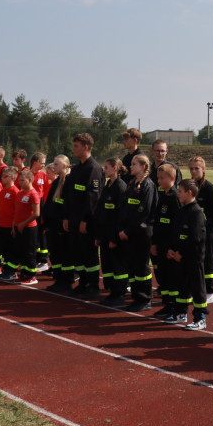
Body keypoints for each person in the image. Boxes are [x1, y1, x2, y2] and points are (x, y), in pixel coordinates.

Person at [63, 133, 103, 298]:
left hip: (86, 221)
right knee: (76, 253)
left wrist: (85, 220)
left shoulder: (93, 168)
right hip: (73, 218)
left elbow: (93, 198)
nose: (73, 149)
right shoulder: (77, 168)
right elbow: (68, 194)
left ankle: (93, 286)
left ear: (85, 147)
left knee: (89, 253)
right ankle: (83, 282)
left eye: (76, 146)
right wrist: (66, 216)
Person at [118, 154, 158, 311]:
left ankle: (144, 298)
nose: (130, 166)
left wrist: (128, 230)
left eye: (134, 164)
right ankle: (136, 296)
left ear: (143, 167)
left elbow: (144, 211)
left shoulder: (148, 185)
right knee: (132, 266)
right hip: (129, 233)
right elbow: (125, 209)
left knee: (142, 267)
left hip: (141, 233)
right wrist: (122, 228)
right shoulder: (131, 183)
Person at [168, 178, 209, 330]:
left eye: (180, 191)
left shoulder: (197, 213)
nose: (177, 193)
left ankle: (200, 318)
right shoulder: (181, 210)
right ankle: (180, 313)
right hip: (180, 257)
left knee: (197, 289)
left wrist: (181, 253)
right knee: (182, 286)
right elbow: (175, 233)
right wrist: (171, 249)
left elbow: (195, 238)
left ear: (189, 193)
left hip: (193, 258)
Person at [188, 156, 213, 302]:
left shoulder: (211, 189)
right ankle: (195, 288)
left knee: (208, 262)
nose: (194, 171)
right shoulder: (188, 187)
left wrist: (212, 231)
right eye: (191, 168)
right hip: (192, 232)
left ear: (203, 169)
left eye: (197, 168)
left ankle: (209, 291)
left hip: (207, 232)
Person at [96, 158, 129, 306]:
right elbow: (102, 210)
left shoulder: (121, 187)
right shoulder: (107, 185)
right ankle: (111, 292)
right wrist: (99, 235)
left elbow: (121, 215)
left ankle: (119, 293)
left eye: (107, 167)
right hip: (104, 233)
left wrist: (115, 238)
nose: (104, 170)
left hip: (114, 235)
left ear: (115, 168)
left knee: (118, 265)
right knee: (107, 265)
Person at [152, 164, 182, 321]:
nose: (159, 180)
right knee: (163, 277)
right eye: (158, 178)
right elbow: (158, 222)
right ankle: (167, 304)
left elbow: (176, 226)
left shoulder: (175, 198)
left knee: (172, 277)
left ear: (172, 178)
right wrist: (154, 243)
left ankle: (176, 307)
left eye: (162, 178)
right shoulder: (163, 195)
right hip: (161, 244)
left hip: (170, 246)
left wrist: (172, 247)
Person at [45, 155, 73, 291]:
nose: (54, 166)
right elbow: (50, 202)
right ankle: (58, 278)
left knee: (65, 254)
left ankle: (66, 281)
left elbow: (68, 204)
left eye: (56, 164)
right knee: (55, 253)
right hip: (53, 224)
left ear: (64, 166)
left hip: (62, 225)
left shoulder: (68, 181)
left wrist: (64, 220)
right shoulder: (56, 182)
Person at [11, 168, 42, 285]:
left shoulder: (33, 194)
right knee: (22, 252)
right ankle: (24, 274)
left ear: (30, 180)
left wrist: (23, 224)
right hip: (18, 227)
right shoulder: (20, 192)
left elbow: (36, 213)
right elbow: (16, 211)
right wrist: (14, 225)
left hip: (29, 228)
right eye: (19, 180)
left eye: (23, 180)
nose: (20, 183)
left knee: (30, 252)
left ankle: (31, 276)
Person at [0, 167, 19, 278]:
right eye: (2, 175)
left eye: (5, 176)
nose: (2, 178)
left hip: (10, 226)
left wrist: (13, 226)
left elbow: (16, 211)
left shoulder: (15, 191)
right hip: (2, 225)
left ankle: (12, 272)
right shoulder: (3, 190)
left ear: (12, 178)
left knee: (12, 250)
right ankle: (6, 271)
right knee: (5, 250)